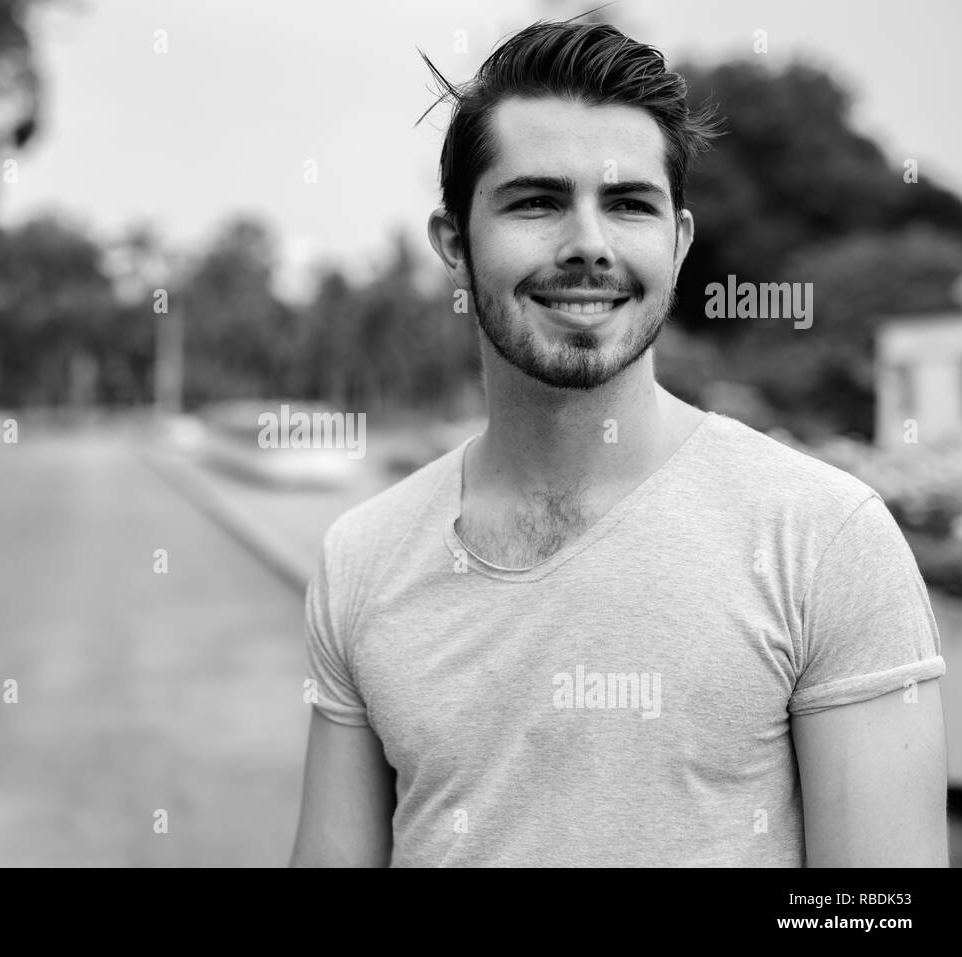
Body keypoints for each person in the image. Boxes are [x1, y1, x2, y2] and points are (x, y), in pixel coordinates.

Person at [288, 17, 948, 867]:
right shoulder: (362, 559)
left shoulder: (824, 539)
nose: (589, 246)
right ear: (455, 243)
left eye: (628, 204)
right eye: (537, 201)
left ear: (676, 244)